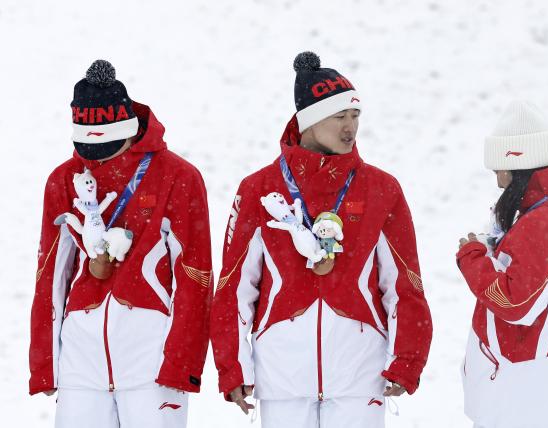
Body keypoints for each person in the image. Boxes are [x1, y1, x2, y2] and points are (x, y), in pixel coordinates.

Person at [210, 52, 432, 428]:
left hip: (361, 375)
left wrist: (406, 359)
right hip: (282, 376)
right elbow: (234, 288)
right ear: (309, 122)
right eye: (339, 117)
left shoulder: (381, 189)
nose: (351, 127)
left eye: (355, 116)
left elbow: (405, 285)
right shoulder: (259, 189)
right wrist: (233, 368)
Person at [29, 60, 213, 428]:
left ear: (130, 130)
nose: (95, 161)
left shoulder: (178, 177)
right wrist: (44, 366)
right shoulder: (63, 179)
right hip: (81, 358)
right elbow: (50, 274)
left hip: (152, 356)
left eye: (106, 147)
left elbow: (196, 276)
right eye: (86, 149)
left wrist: (181, 363)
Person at [456, 100, 548, 428]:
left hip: (521, 380)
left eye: (500, 168)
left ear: (519, 167)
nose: (497, 180)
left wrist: (472, 258)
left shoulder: (539, 224)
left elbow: (516, 304)